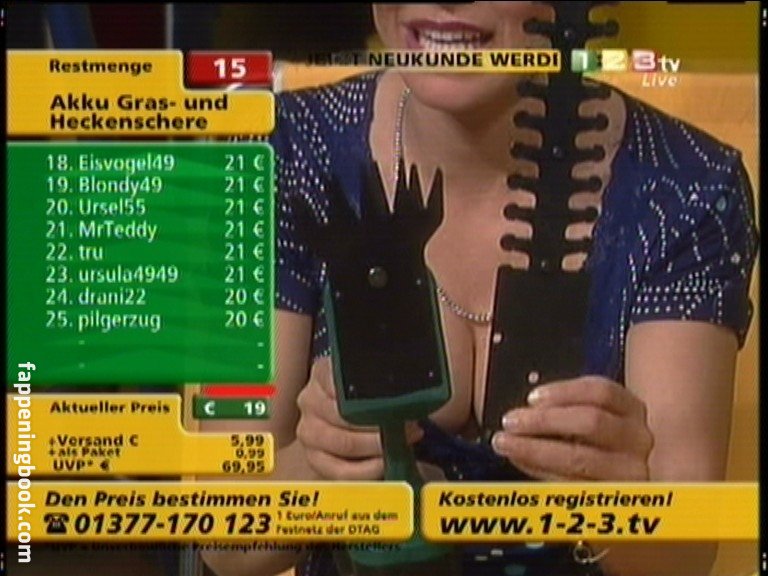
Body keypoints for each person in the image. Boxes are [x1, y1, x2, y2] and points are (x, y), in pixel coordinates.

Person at [201, 3, 758, 576]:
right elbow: (225, 546)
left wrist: (615, 505)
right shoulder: (278, 155)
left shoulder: (685, 189)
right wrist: (316, 467)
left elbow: (684, 557)